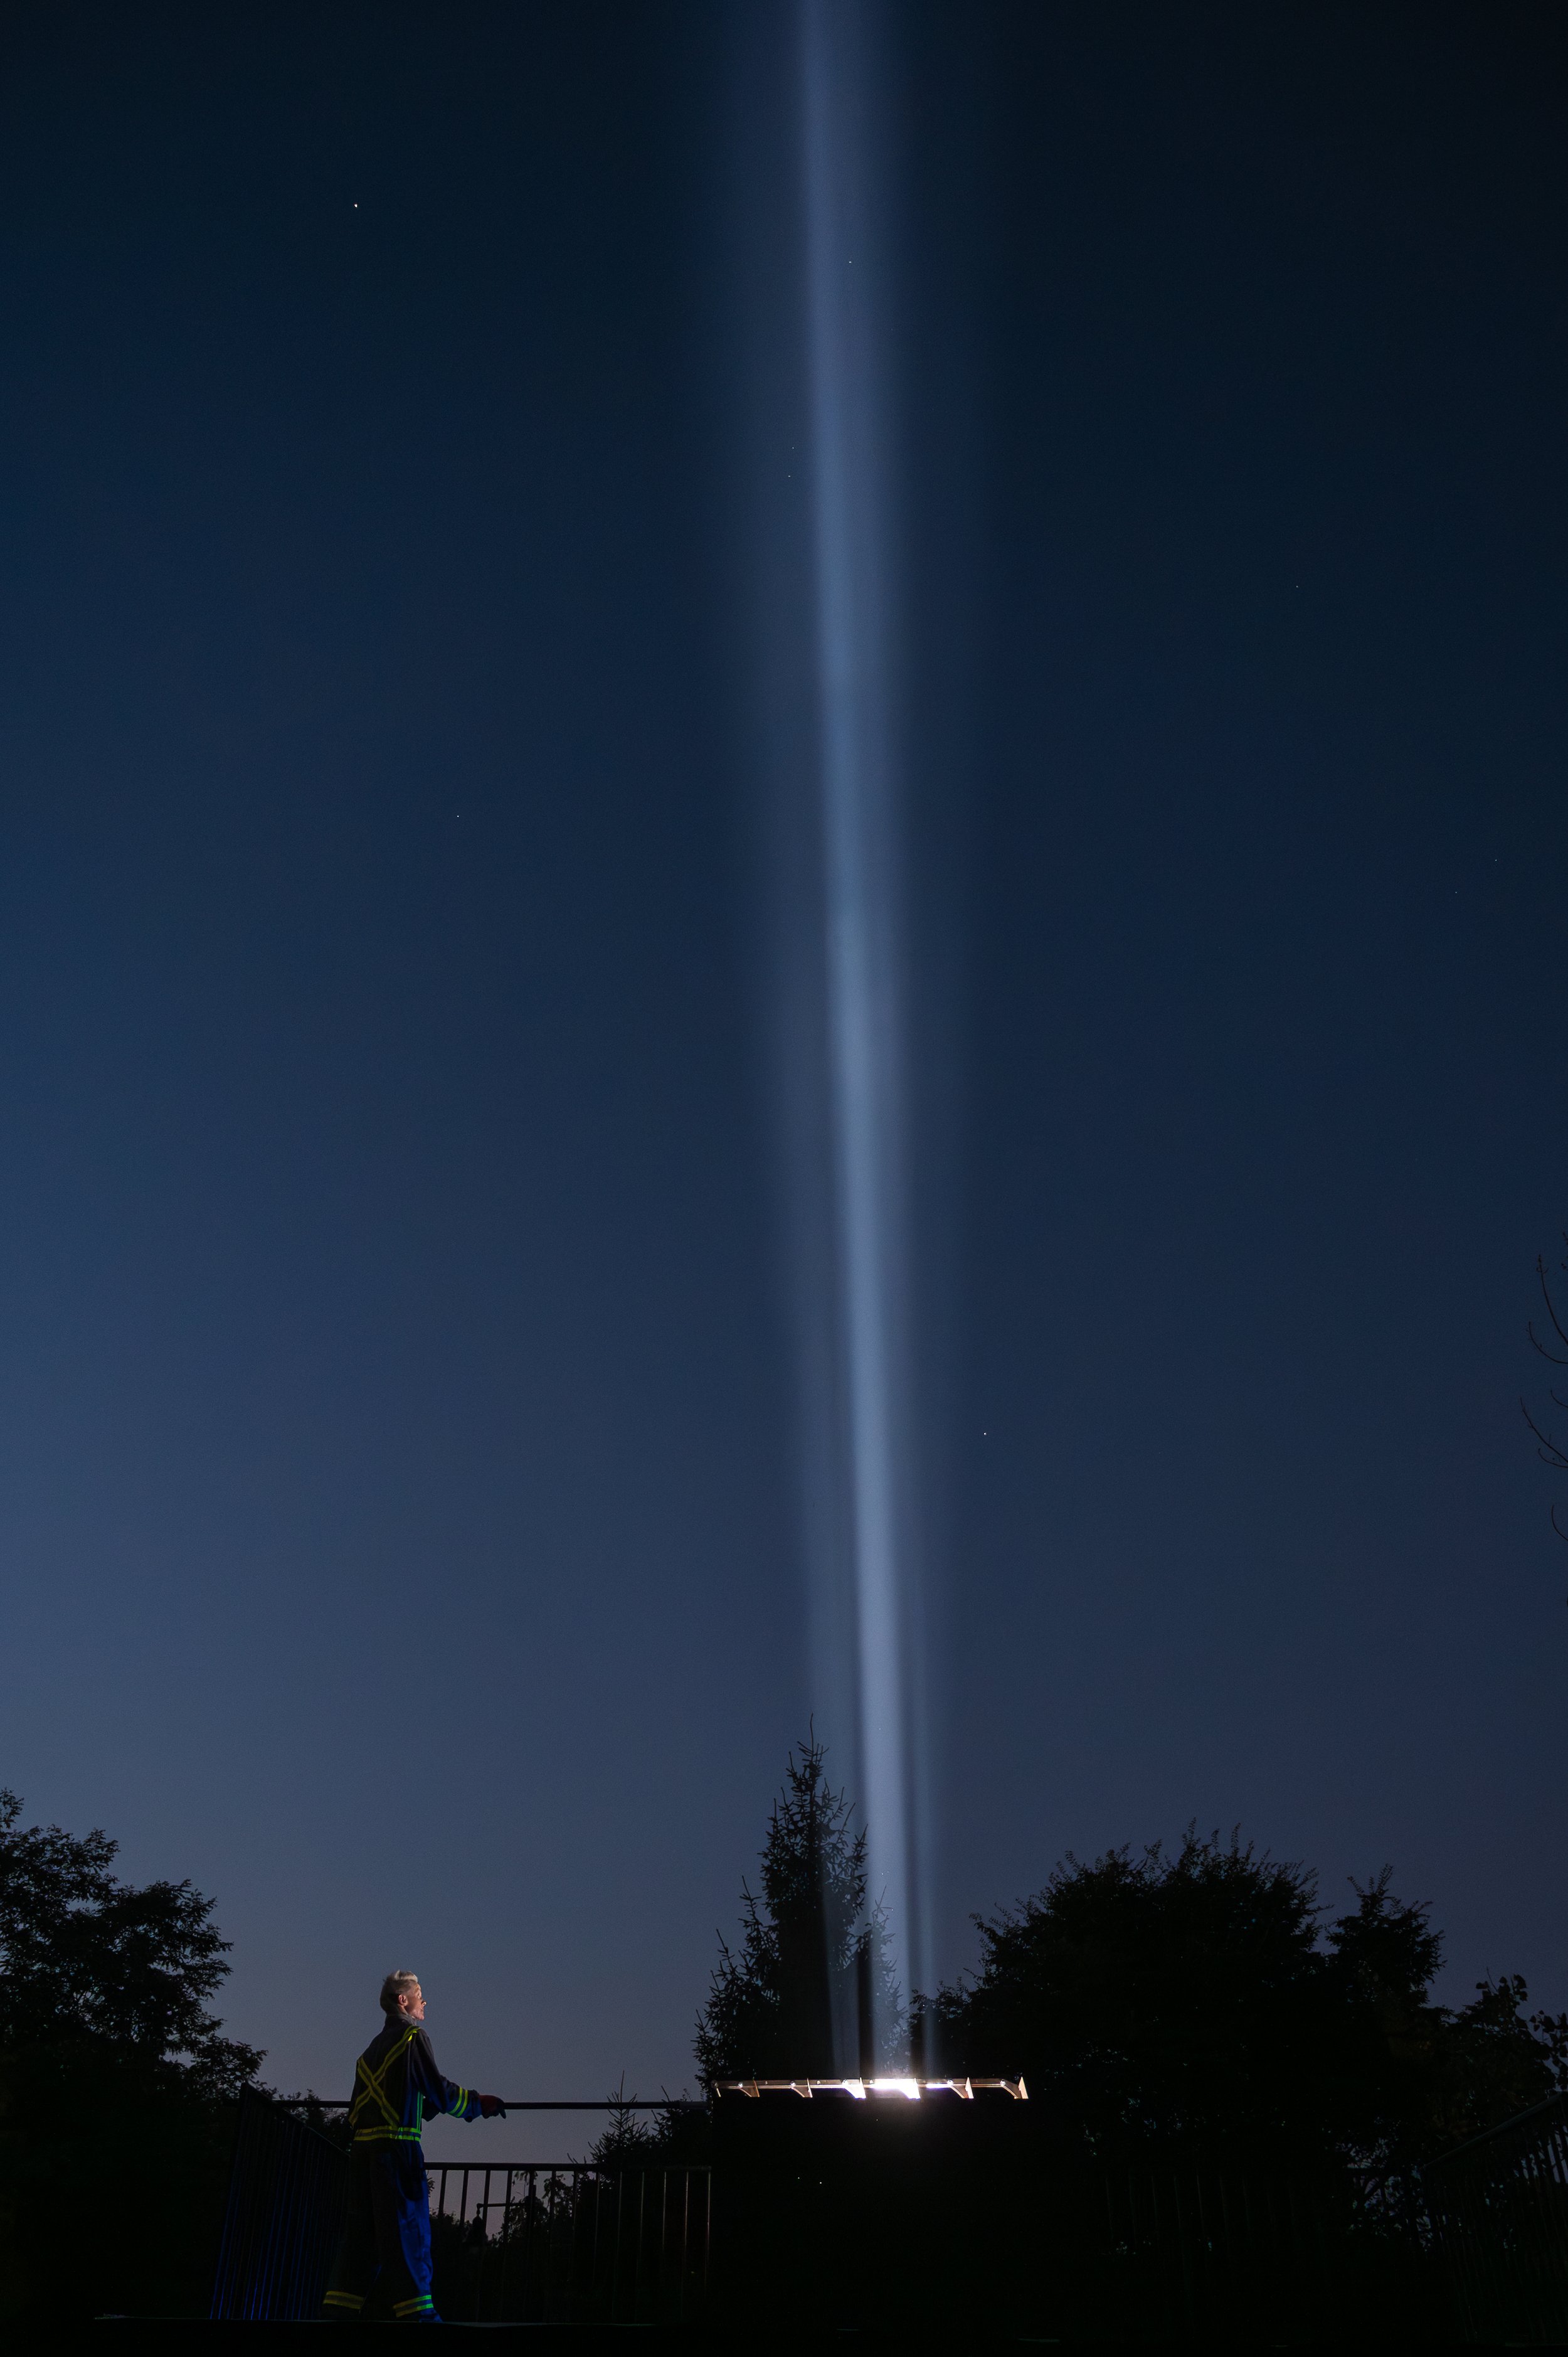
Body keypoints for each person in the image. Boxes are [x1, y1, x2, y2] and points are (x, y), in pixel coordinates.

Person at [323, 1971, 506, 2321]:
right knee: (409, 2234)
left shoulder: (367, 2054)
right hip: (397, 2152)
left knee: (361, 2241)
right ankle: (420, 2321)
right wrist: (477, 2104)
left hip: (361, 2154)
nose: (424, 2000)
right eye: (418, 1993)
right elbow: (437, 2089)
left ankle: (334, 2318)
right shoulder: (412, 2038)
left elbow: (368, 2106)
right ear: (403, 2000)